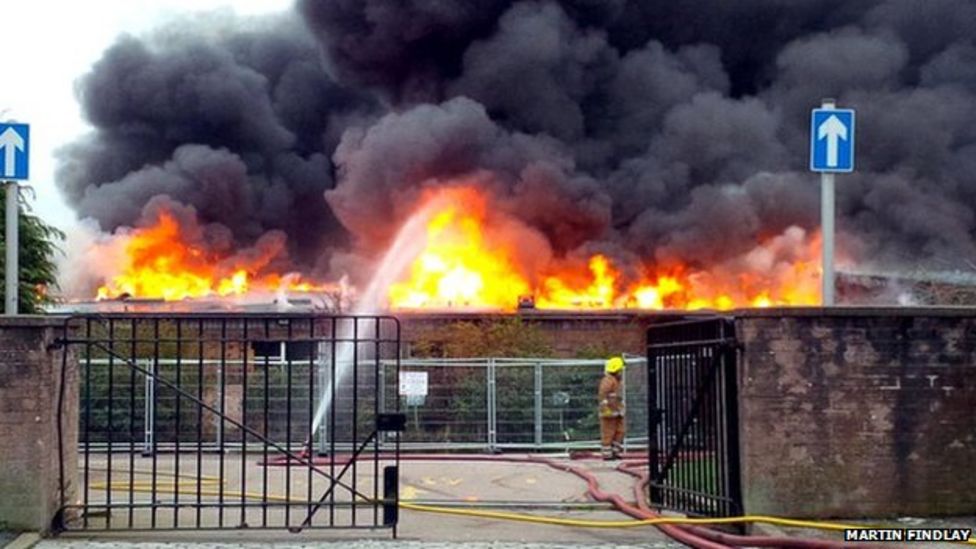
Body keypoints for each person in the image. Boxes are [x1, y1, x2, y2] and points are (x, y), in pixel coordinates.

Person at [598, 356, 626, 460]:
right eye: (620, 370)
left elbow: (618, 397)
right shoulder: (608, 380)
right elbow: (602, 396)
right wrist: (605, 408)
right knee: (608, 432)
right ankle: (607, 454)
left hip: (617, 411)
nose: (621, 372)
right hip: (609, 412)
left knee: (620, 431)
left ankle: (615, 451)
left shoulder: (616, 381)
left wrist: (621, 408)